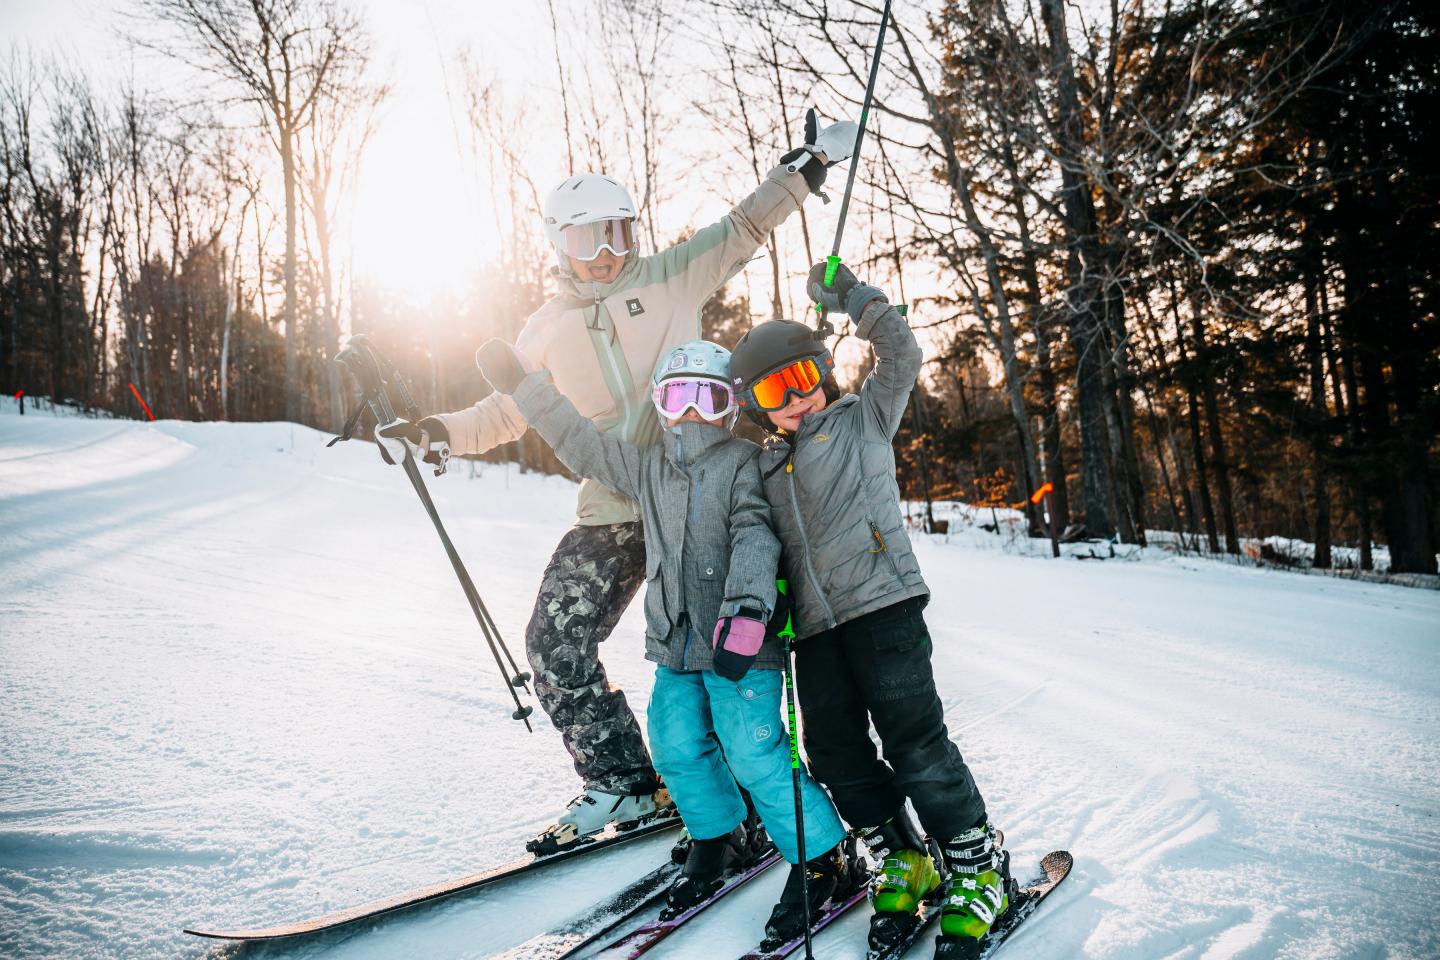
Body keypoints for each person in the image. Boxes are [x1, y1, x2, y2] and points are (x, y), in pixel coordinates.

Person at [374, 112, 857, 853]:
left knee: (716, 653)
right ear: (557, 244)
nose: (604, 255)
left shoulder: (667, 278)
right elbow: (506, 412)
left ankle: (745, 792)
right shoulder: (544, 329)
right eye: (584, 239)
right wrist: (434, 431)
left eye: (617, 234)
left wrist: (805, 169)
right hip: (615, 506)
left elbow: (740, 228)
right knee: (554, 641)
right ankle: (630, 780)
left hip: (704, 499)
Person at [473, 337, 851, 940]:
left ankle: (823, 856)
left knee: (754, 753)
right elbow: (580, 441)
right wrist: (525, 386)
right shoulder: (648, 467)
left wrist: (750, 612)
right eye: (680, 396)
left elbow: (758, 536)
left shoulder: (745, 462)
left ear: (730, 405)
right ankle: (717, 835)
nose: (694, 411)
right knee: (674, 745)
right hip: (676, 649)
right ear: (661, 404)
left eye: (709, 395)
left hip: (739, 650)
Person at [728, 263, 1012, 955]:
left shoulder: (863, 417)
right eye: (775, 388)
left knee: (915, 742)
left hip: (884, 606)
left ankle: (978, 867)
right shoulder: (760, 466)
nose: (797, 398)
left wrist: (852, 297)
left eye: (804, 378)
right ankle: (904, 857)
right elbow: (754, 541)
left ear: (824, 372)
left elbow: (902, 353)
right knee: (834, 750)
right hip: (816, 630)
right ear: (756, 403)